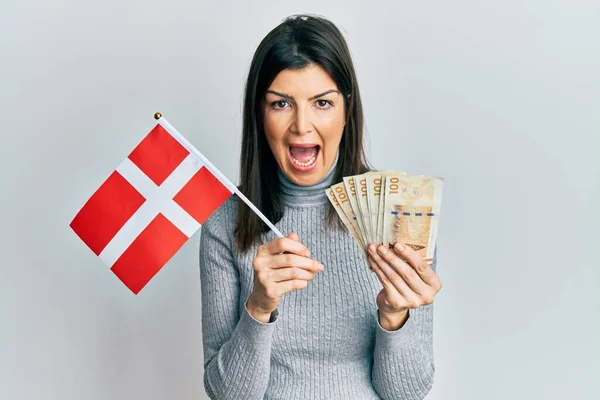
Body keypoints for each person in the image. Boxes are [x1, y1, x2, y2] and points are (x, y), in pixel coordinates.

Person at [198, 14, 443, 400]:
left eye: (322, 103)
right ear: (260, 115)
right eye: (281, 103)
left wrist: (395, 315)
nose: (301, 125)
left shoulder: (399, 213)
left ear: (347, 110)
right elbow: (227, 394)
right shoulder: (225, 221)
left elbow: (406, 393)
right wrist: (259, 307)